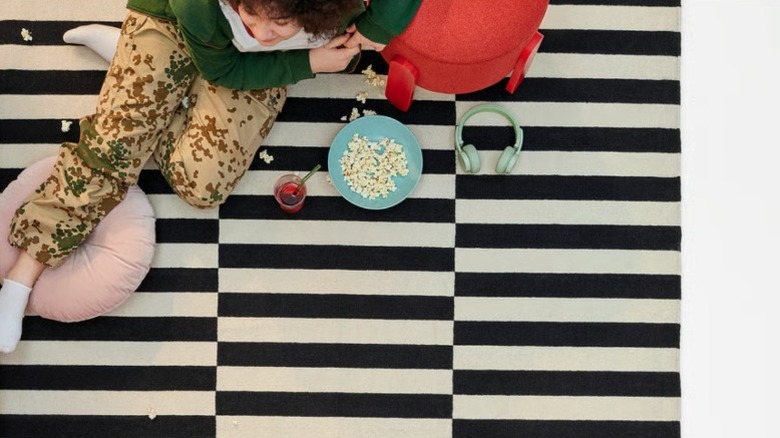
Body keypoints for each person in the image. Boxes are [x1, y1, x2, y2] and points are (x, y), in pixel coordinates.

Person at [0, 0, 422, 354]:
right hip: (176, 23)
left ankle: (148, 81)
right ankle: (22, 276)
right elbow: (223, 68)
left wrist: (373, 28)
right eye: (249, 13)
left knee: (202, 187)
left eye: (279, 21)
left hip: (259, 61)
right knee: (113, 149)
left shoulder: (291, 26)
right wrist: (307, 61)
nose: (261, 32)